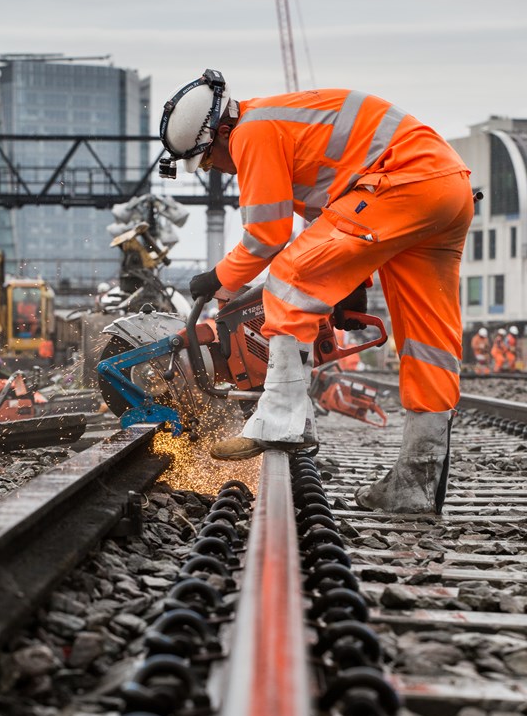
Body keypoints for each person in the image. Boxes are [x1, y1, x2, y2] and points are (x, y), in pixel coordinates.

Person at [159, 69, 475, 513]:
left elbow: (267, 236)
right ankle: (416, 480)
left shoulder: (253, 132)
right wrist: (352, 283)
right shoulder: (281, 123)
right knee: (428, 341)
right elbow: (337, 215)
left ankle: (282, 417)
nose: (217, 170)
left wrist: (218, 280)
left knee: (290, 275)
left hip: (401, 182)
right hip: (447, 188)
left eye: (210, 160)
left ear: (221, 133)